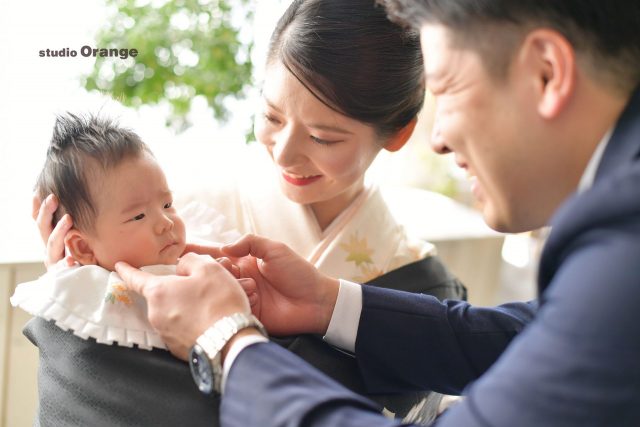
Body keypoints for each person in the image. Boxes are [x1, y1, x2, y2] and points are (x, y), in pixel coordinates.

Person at [113, 0, 640, 426]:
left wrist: (227, 342)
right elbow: (530, 335)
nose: (438, 139)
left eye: (449, 91)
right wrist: (327, 302)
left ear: (546, 72)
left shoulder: (623, 253)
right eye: (272, 115)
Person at [32, 0, 466, 424]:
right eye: (272, 117)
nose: (285, 153)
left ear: (399, 132)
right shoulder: (182, 211)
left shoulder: (420, 283)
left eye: (323, 138)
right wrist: (79, 285)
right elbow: (89, 378)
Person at [17, 113, 246, 426]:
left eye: (167, 205)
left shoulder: (195, 265)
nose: (166, 221)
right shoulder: (80, 296)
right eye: (138, 216)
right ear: (82, 248)